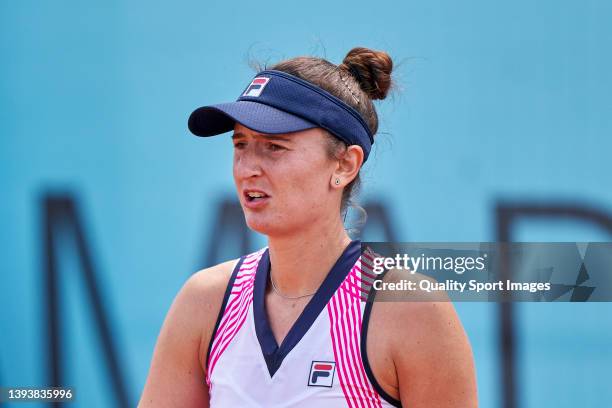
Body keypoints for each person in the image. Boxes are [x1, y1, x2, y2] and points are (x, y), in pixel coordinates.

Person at [139, 47, 477, 407]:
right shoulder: (204, 301)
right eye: (240, 144)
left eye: (274, 146)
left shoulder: (411, 309)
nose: (247, 168)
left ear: (345, 165)